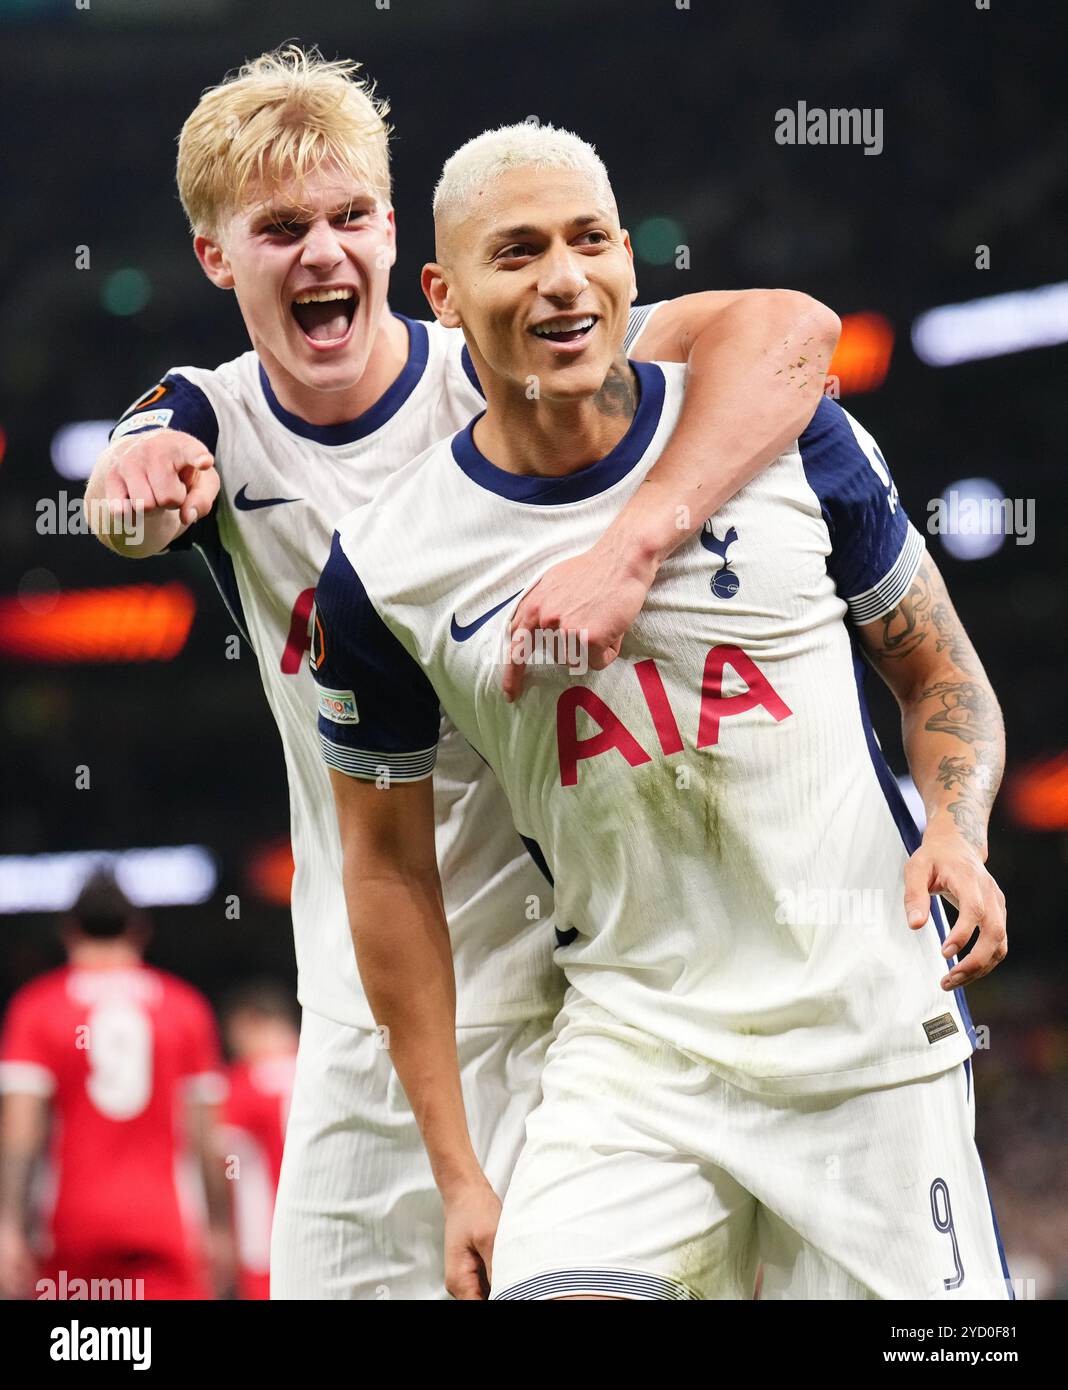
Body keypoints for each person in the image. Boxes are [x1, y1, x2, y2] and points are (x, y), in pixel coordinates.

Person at [83, 46, 839, 1298]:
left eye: (348, 218)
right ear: (217, 257)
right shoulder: (211, 416)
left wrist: (645, 536)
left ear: (392, 232)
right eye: (280, 230)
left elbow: (786, 337)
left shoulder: (506, 365)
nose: (322, 254)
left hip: (574, 1006)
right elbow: (140, 472)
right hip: (363, 1023)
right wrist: (127, 485)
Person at [312, 122, 1011, 1301]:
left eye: (590, 241)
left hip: (870, 1050)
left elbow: (941, 678)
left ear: (632, 262)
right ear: (440, 291)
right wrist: (463, 1175)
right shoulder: (385, 568)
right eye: (518, 251)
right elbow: (384, 873)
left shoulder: (793, 435)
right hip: (638, 1061)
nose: (564, 279)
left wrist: (959, 826)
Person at [0, 869, 230, 1301]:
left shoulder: (37, 1008)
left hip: (69, 1225)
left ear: (69, 931)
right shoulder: (185, 1008)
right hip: (167, 1225)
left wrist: (7, 1225)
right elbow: (208, 1139)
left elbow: (20, 1132)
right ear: (140, 930)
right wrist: (219, 1228)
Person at [219, 982, 298, 1300]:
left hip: (264, 1240)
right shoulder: (322, 1070)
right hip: (333, 1230)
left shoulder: (239, 1086)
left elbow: (221, 1164)